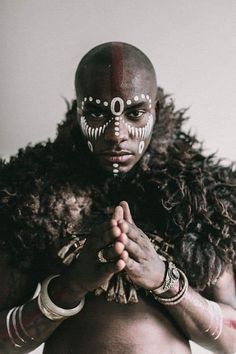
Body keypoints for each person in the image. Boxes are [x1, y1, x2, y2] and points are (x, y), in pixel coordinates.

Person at [0, 41, 236, 354]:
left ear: (155, 110)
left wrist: (164, 279)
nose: (116, 133)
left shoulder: (204, 201)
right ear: (79, 110)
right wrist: (70, 287)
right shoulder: (32, 197)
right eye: (97, 113)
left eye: (135, 113)